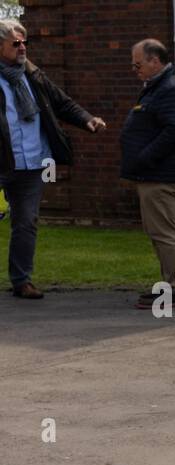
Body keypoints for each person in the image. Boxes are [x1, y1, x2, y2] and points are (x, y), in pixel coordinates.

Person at [0, 19, 106, 300]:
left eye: (25, 42)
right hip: (2, 161)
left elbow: (61, 103)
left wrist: (87, 120)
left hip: (32, 162)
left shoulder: (32, 75)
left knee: (26, 222)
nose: (23, 48)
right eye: (16, 43)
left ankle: (22, 280)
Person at [120, 39, 175, 310]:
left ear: (155, 61)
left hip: (160, 175)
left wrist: (144, 157)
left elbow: (174, 130)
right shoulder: (159, 87)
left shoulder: (170, 89)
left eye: (138, 64)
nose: (134, 69)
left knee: (163, 231)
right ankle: (171, 286)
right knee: (158, 230)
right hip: (153, 174)